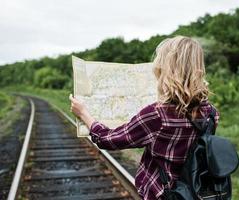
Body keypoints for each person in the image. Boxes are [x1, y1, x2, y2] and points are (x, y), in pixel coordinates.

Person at [69, 35, 219, 200]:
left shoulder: (157, 115)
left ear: (166, 69)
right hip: (194, 192)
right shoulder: (211, 113)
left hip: (163, 194)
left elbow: (107, 139)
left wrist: (84, 113)